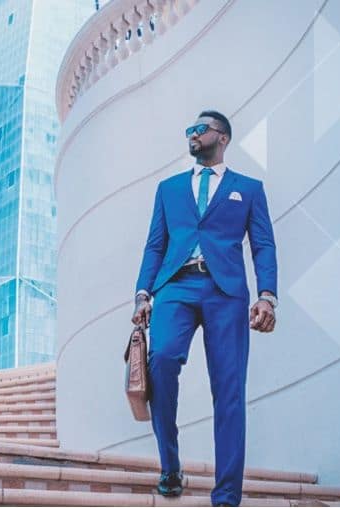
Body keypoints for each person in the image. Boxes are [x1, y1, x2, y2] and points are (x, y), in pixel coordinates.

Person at [131, 110, 278, 507]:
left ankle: (227, 495)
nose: (193, 135)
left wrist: (267, 295)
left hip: (225, 292)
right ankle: (171, 466)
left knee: (229, 389)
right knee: (161, 361)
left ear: (223, 138)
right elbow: (154, 245)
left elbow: (263, 244)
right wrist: (143, 293)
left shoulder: (248, 189)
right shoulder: (169, 189)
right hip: (175, 286)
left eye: (201, 129)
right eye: (189, 130)